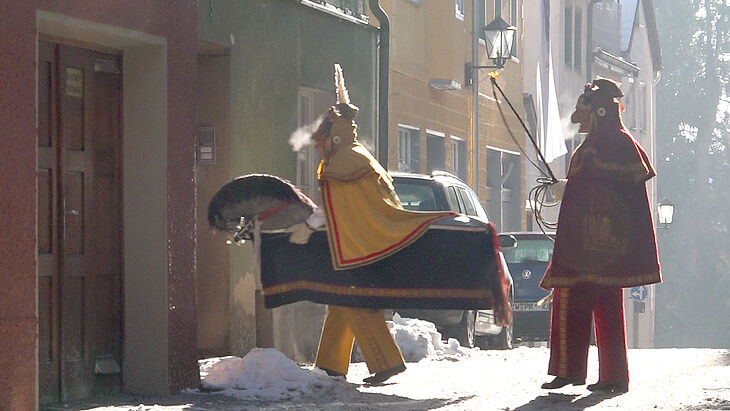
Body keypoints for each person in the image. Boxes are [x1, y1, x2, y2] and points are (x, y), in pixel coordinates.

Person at [302, 65, 453, 384]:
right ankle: (330, 365)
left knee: (355, 304)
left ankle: (385, 362)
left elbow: (339, 208)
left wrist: (314, 220)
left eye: (324, 137)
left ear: (335, 134)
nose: (320, 143)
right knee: (340, 304)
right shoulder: (357, 154)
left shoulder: (342, 162)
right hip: (361, 244)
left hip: (356, 248)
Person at [539, 79, 661, 393]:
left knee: (572, 302)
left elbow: (595, 192)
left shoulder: (601, 145)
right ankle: (613, 375)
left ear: (598, 111)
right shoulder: (616, 141)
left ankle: (570, 370)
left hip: (588, 243)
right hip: (606, 245)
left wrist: (566, 189)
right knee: (607, 307)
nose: (578, 118)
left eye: (584, 110)